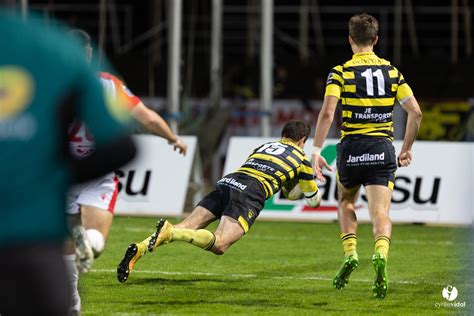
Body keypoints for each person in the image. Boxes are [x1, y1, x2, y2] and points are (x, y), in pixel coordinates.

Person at [0, 11, 136, 315]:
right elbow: (124, 144)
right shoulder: (57, 53)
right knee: (72, 259)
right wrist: (56, 176)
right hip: (35, 240)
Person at [64, 29, 188, 314]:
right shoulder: (108, 85)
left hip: (64, 172)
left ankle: (71, 302)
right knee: (96, 240)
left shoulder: (48, 81)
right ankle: (89, 242)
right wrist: (172, 138)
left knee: (65, 250)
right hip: (99, 170)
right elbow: (147, 118)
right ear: (90, 54)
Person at [117, 120, 322, 283]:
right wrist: (312, 181)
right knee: (221, 243)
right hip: (251, 190)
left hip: (229, 181)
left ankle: (140, 247)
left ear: (283, 135)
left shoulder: (265, 146)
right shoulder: (302, 159)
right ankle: (171, 231)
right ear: (303, 140)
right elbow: (311, 201)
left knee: (188, 225)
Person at [311, 13, 423, 298]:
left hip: (351, 148)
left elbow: (327, 112)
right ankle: (381, 253)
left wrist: (315, 150)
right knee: (381, 213)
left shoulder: (340, 72)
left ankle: (350, 252)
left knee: (346, 201)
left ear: (350, 40)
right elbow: (415, 112)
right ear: (376, 39)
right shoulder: (392, 72)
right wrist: (406, 148)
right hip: (382, 149)